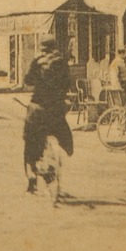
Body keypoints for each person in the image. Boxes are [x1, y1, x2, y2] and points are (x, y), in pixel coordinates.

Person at [22, 37, 74, 193]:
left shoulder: (38, 62)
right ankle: (64, 151)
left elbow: (28, 80)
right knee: (63, 135)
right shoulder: (62, 61)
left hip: (38, 108)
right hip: (56, 110)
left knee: (29, 141)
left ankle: (32, 178)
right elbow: (68, 83)